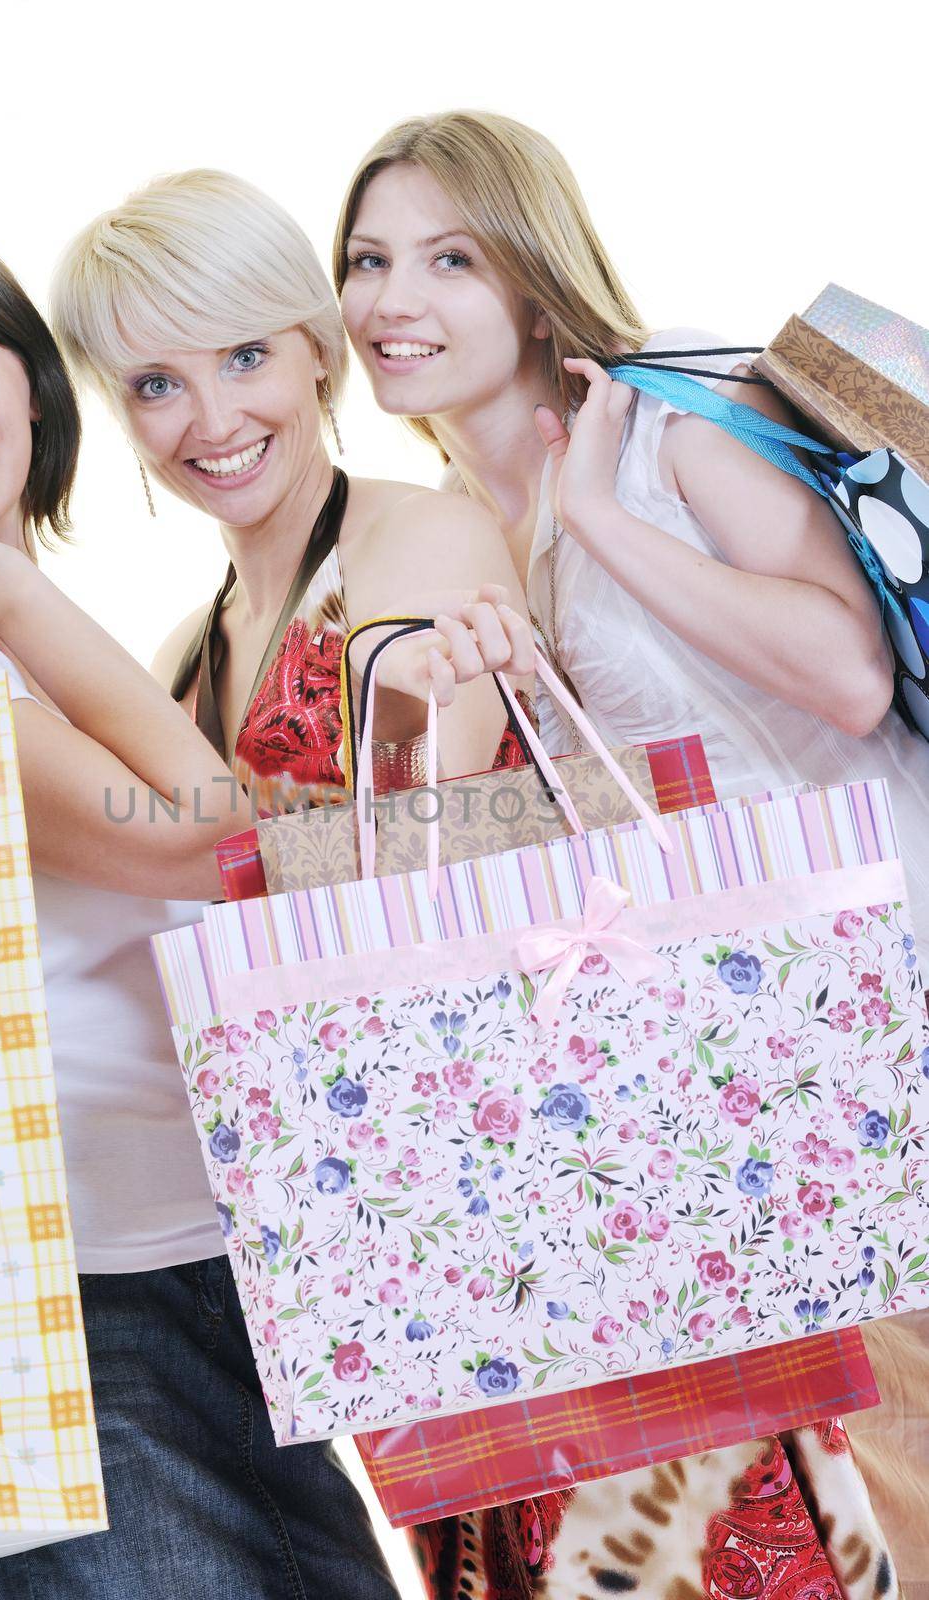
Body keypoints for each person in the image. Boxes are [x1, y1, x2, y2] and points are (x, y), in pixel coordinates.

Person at [0, 203, 530, 1600]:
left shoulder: (43, 641)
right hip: (81, 1304)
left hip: (197, 1271)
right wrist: (11, 599)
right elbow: (215, 848)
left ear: (26, 380)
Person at [332, 109, 917, 1599]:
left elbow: (845, 676)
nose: (397, 299)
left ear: (533, 277)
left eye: (449, 257)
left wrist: (595, 506)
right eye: (369, 260)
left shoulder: (671, 413)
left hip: (893, 1011)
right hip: (767, 1085)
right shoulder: (463, 533)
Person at [49, 169, 540, 820]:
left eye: (245, 356)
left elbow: (461, 832)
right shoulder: (180, 659)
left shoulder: (427, 538)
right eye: (157, 384)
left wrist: (369, 686)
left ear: (314, 346)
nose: (217, 422)